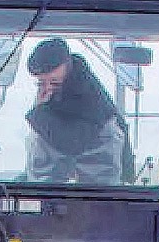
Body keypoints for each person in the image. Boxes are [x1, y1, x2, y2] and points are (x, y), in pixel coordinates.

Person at [24, 38, 134, 184]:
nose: (47, 89)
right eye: (41, 83)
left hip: (99, 193)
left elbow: (72, 144)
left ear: (67, 66)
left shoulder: (92, 102)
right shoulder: (54, 96)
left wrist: (38, 114)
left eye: (53, 82)